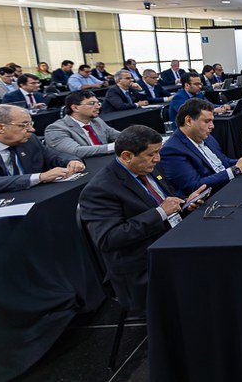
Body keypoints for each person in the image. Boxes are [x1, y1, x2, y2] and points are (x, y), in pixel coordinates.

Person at [78, 125, 207, 316]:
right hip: (141, 265)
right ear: (127, 156)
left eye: (158, 152)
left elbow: (166, 204)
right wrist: (160, 213)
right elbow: (108, 238)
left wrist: (185, 205)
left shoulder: (148, 168)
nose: (157, 159)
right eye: (151, 154)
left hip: (170, 242)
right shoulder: (99, 190)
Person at [160, 98, 242, 195]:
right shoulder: (172, 150)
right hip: (215, 196)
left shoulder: (206, 136)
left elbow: (222, 161)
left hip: (231, 184)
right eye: (207, 121)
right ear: (188, 121)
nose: (212, 126)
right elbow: (194, 186)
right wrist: (235, 170)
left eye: (212, 121)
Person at [0, 104, 84, 192]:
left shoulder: (30, 139)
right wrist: (40, 177)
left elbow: (53, 155)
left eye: (31, 123)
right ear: (0, 128)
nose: (32, 129)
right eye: (24, 125)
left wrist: (72, 161)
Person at [44, 90, 121, 157]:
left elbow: (117, 135)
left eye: (98, 103)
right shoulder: (55, 129)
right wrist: (113, 147)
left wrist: (131, 139)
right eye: (92, 103)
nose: (98, 107)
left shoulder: (96, 120)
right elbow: (75, 151)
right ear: (75, 108)